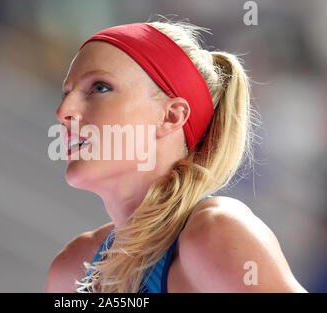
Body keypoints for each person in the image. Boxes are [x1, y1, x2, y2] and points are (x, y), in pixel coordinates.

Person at [45, 18, 307, 293]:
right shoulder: (71, 269)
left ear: (170, 116)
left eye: (99, 87)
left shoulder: (215, 234)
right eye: (66, 92)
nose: (64, 111)